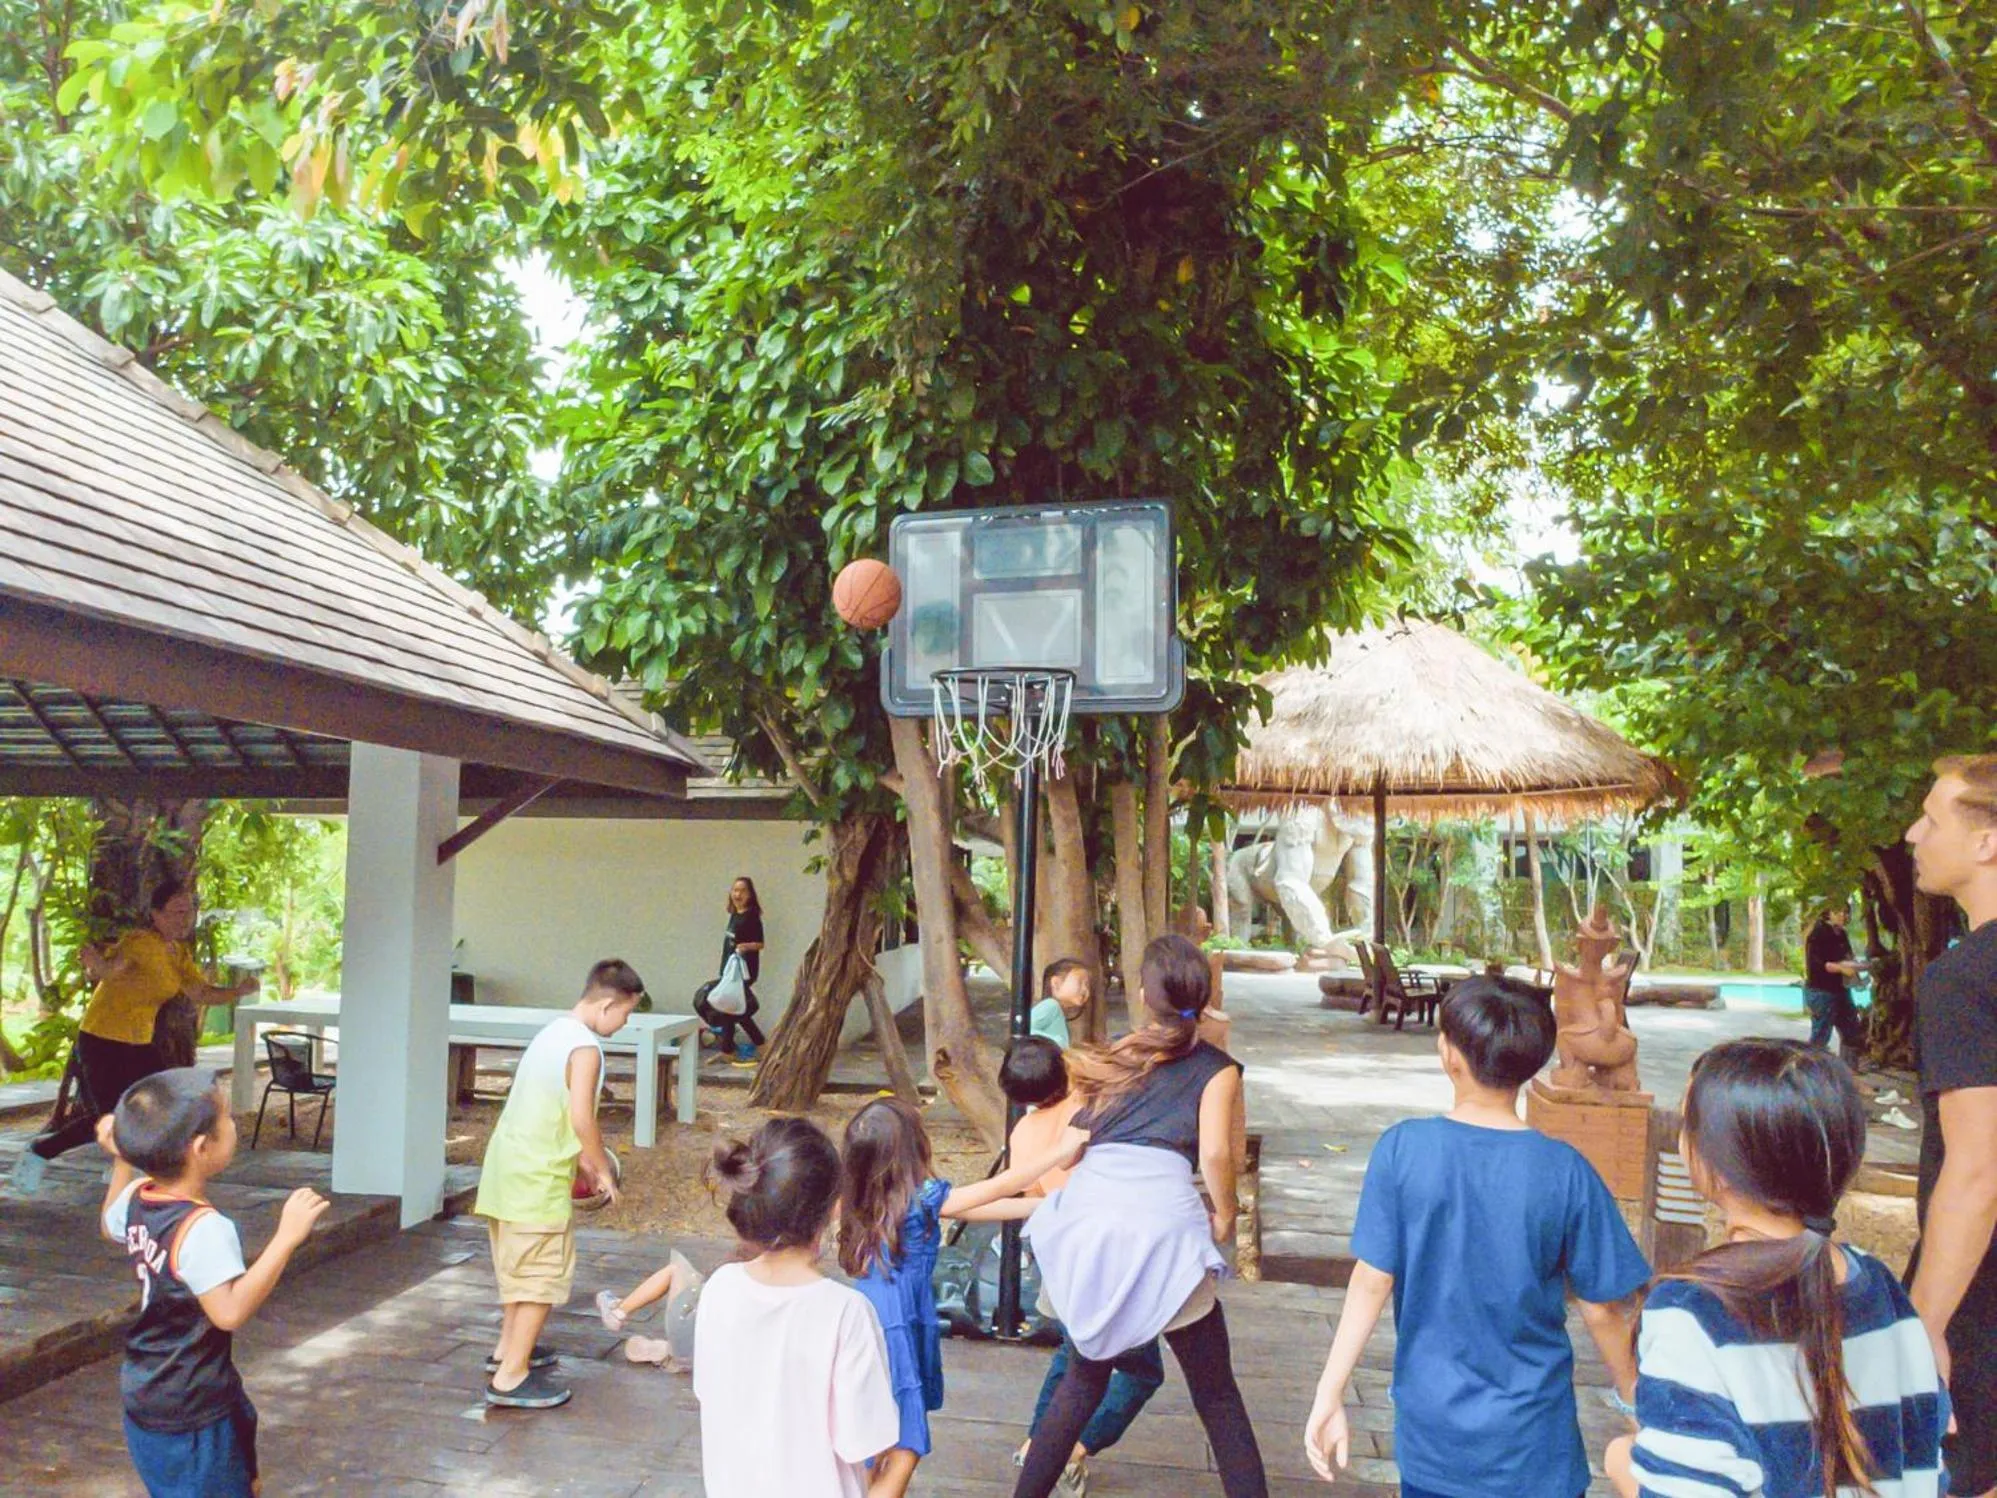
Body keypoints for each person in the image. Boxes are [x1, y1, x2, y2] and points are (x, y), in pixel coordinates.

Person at [1304, 975, 1649, 1498]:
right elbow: (1602, 1309)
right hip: (1535, 1446)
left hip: (1435, 1443)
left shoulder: (1402, 1150)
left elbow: (1372, 1281)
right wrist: (1636, 1405)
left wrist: (1329, 1393)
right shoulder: (1565, 1170)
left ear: (1450, 1056)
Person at [1605, 1038, 1945, 1497]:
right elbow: (1927, 1456)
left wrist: (1621, 1463)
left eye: (1690, 1124)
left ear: (1717, 1166)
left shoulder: (1693, 1312)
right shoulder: (1879, 1283)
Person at [1018, 933, 1265, 1498]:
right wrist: (1225, 1216)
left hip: (1091, 1222)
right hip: (1163, 1228)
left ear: (1142, 996)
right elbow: (1217, 1155)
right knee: (1217, 1396)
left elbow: (1071, 1149)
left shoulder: (1113, 1058)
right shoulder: (1218, 1069)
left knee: (1081, 1381)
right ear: (1204, 998)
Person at [838, 1095, 1087, 1498]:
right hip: (897, 1323)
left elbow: (985, 1206)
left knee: (876, 1438)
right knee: (904, 1443)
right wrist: (1060, 1151)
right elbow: (1001, 1185)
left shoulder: (867, 1199)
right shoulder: (922, 1199)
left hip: (873, 1317)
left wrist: (1054, 1203)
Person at [96, 1067, 329, 1497]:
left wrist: (123, 1159)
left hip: (151, 1383)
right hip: (190, 1404)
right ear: (202, 1148)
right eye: (227, 1119)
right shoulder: (203, 1228)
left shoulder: (138, 1197)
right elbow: (229, 1312)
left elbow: (111, 1225)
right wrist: (286, 1238)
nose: (234, 1124)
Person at [471, 957, 646, 1409]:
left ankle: (508, 1351)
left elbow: (552, 1108)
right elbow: (582, 1118)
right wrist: (602, 1168)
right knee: (540, 1276)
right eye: (626, 1013)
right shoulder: (585, 1048)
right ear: (607, 1005)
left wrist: (583, 1162)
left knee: (519, 1269)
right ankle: (510, 1377)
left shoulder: (552, 1032)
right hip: (537, 1178)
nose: (625, 1023)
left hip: (506, 1171)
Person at [694, 1117, 900, 1498]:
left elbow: (708, 1392)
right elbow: (864, 1440)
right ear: (834, 1208)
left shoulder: (719, 1288)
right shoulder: (846, 1312)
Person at [12, 880, 256, 1194]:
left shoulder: (177, 953)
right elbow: (109, 971)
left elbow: (200, 992)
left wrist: (238, 991)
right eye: (176, 912)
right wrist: (95, 964)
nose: (184, 919)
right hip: (102, 1039)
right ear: (156, 914)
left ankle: (129, 1167)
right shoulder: (140, 943)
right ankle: (41, 1151)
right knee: (111, 1118)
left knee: (158, 1106)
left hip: (140, 1043)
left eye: (189, 911)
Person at [1002, 1037, 1165, 1497]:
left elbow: (1034, 1197)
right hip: (1110, 1258)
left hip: (1062, 1256)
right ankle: (1071, 1447)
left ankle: (1037, 1442)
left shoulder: (1023, 1133)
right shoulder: (1095, 1106)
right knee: (1141, 1371)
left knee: (1074, 1355)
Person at [1904, 752, 1997, 1497]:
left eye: (1931, 819)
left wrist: (1923, 1326)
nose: (1912, 834)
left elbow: (1978, 1169)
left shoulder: (1965, 979)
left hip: (1982, 1304)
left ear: (1986, 842)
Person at [695, 876, 767, 1065]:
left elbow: (760, 943)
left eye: (742, 890)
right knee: (733, 1010)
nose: (738, 894)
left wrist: (745, 946)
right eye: (735, 890)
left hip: (743, 971)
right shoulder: (735, 915)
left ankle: (740, 1049)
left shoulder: (751, 917)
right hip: (729, 970)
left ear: (750, 894)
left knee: (732, 1010)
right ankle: (746, 1049)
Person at [597, 1249, 703, 1371]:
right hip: (710, 1352)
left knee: (677, 1270)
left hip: (696, 1346)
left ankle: (618, 1312)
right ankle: (672, 1353)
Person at [1802, 903, 1864, 1057]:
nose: (1843, 916)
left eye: (1846, 912)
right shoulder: (1818, 934)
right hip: (1821, 991)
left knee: (1852, 1032)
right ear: (1828, 913)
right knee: (1820, 1037)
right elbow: (1820, 965)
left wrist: (1858, 967)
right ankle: (1811, 1066)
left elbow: (1847, 957)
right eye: (1838, 912)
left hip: (1840, 990)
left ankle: (1849, 1067)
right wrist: (1842, 968)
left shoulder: (1841, 934)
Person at [1031, 958, 1091, 1050]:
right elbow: (1023, 1030)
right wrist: (1057, 1042)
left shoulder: (1057, 1011)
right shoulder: (1050, 1005)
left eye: (1087, 985)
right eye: (1080, 983)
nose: (1085, 990)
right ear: (1056, 984)